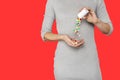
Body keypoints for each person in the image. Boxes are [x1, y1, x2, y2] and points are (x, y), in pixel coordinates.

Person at [41, 0, 113, 80]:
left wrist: (96, 21)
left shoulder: (96, 1)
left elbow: (108, 30)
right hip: (64, 67)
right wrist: (63, 37)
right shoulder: (53, 1)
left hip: (90, 66)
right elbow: (44, 34)